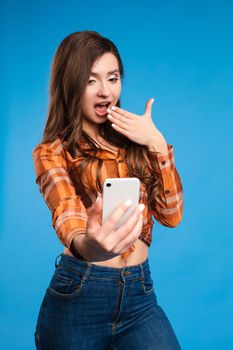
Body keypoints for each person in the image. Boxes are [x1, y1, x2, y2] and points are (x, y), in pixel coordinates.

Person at [32, 30, 184, 350]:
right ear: (70, 85)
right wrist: (88, 245)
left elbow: (171, 216)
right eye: (91, 81)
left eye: (112, 78)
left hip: (139, 294)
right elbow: (66, 210)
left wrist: (156, 143)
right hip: (79, 296)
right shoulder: (52, 151)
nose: (105, 92)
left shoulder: (136, 139)